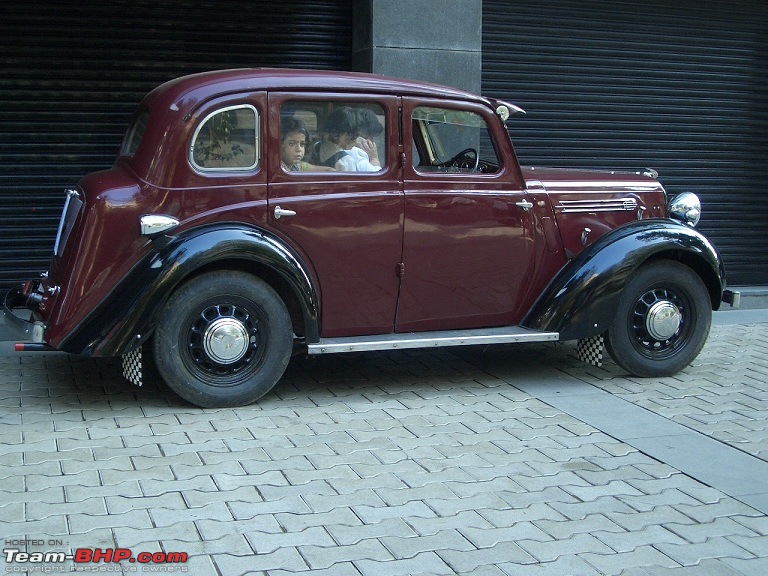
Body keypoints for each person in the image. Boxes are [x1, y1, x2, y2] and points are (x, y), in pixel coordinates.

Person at [348, 107, 384, 172]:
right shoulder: (356, 152)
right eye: (369, 136)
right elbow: (377, 177)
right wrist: (374, 158)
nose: (372, 142)